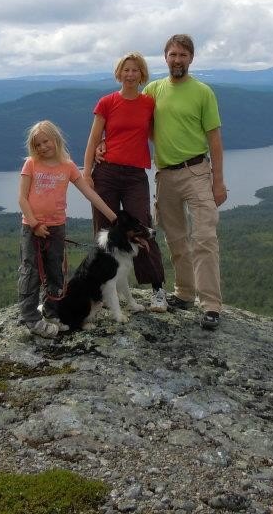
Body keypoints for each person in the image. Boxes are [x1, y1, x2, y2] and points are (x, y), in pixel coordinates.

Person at [143, 34, 228, 330]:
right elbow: (138, 125)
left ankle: (211, 305)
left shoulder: (203, 92)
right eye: (172, 54)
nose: (177, 60)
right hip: (165, 175)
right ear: (164, 57)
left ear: (191, 58)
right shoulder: (153, 89)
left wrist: (218, 182)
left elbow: (215, 140)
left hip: (196, 171)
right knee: (176, 239)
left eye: (183, 55)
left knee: (204, 238)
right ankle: (184, 293)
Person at [82, 52, 168, 313]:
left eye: (135, 71)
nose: (130, 75)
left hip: (134, 176)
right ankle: (101, 290)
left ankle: (157, 291)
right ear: (119, 74)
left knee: (143, 227)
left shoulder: (148, 103)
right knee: (105, 232)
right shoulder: (107, 102)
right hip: (105, 172)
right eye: (126, 70)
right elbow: (94, 138)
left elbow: (157, 133)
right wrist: (87, 174)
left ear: (142, 75)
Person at [17, 120, 117, 338]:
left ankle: (52, 312)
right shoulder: (31, 164)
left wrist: (113, 217)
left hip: (56, 228)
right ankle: (31, 318)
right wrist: (34, 224)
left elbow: (89, 193)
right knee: (31, 270)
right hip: (32, 227)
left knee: (56, 271)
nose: (43, 147)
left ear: (56, 139)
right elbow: (22, 199)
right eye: (38, 144)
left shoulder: (68, 166)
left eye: (46, 141)